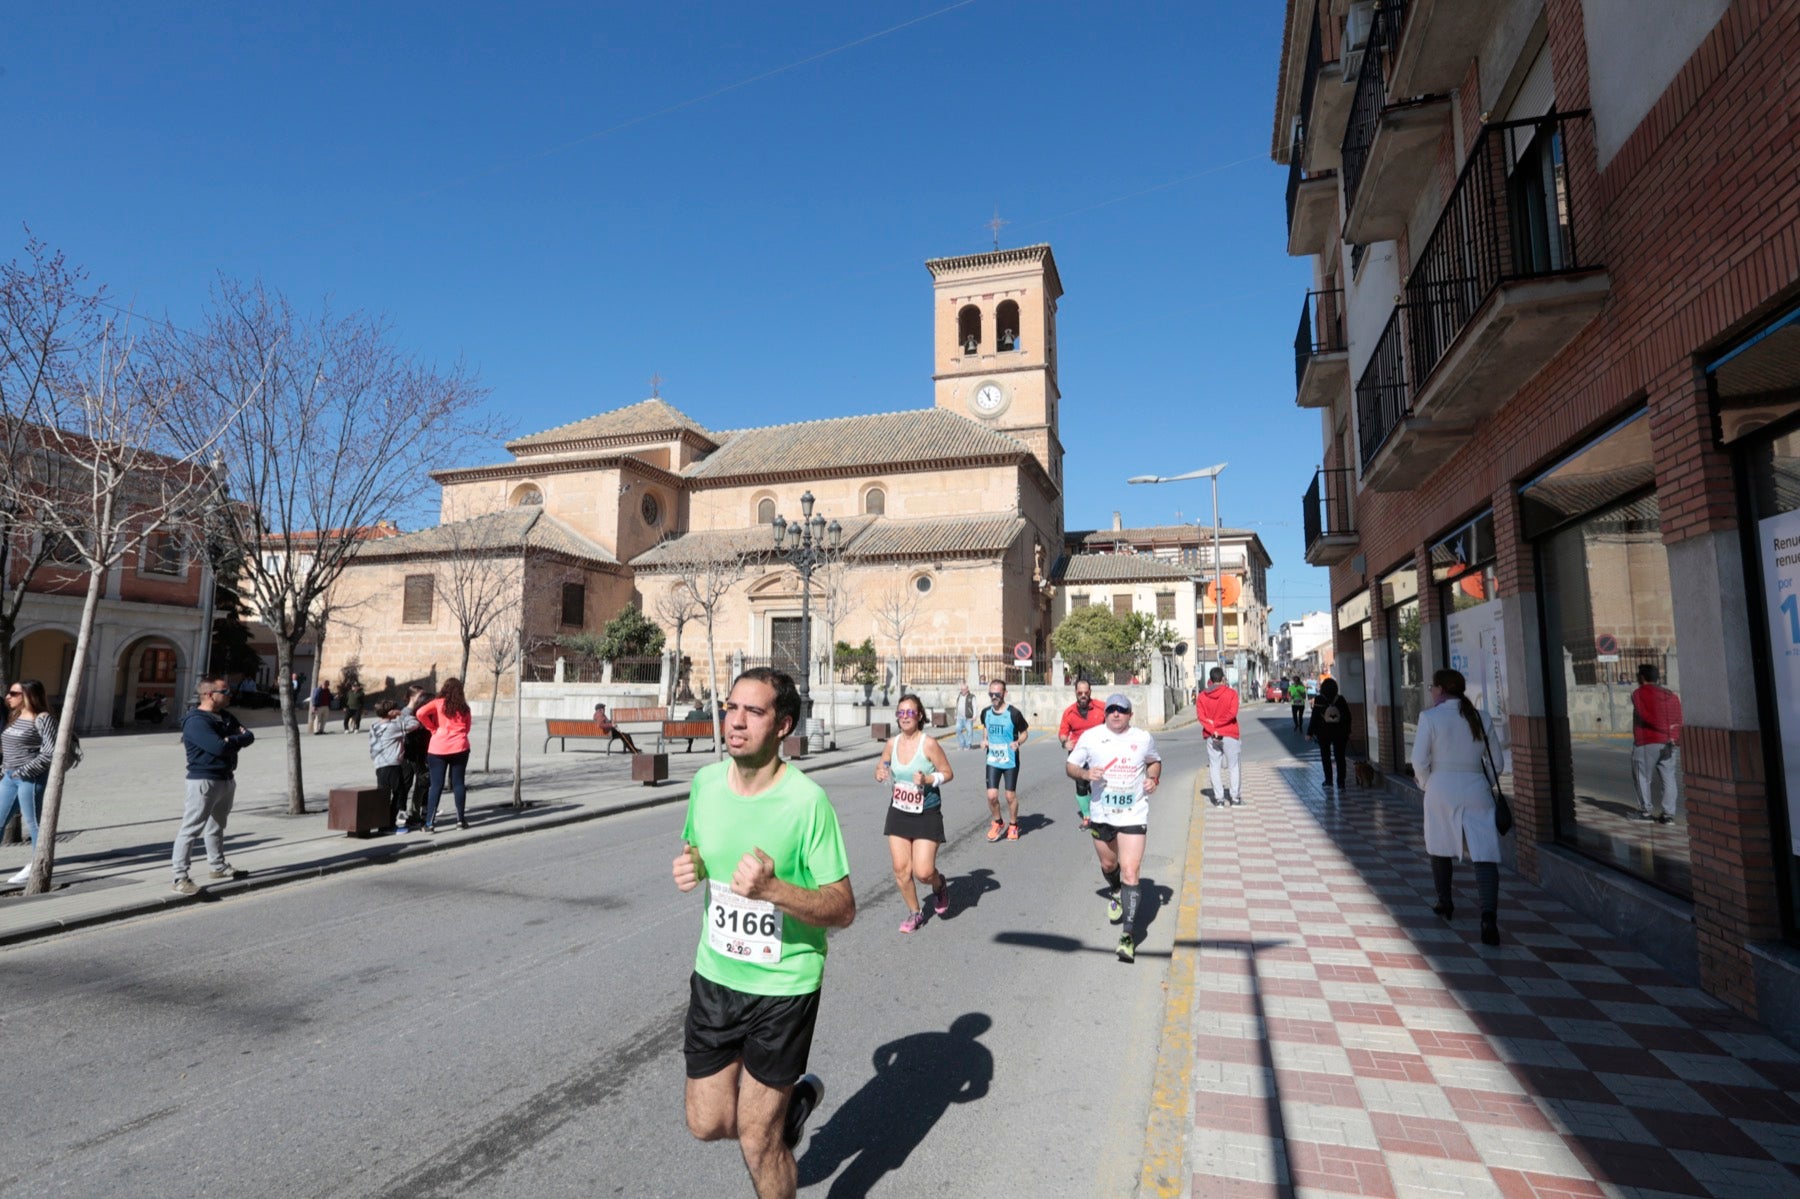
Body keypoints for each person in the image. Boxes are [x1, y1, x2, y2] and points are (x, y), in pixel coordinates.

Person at [671, 668, 854, 1199]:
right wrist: (694, 867)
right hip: (716, 977)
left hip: (783, 988)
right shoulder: (705, 784)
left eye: (754, 712)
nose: (736, 721)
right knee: (706, 1124)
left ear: (783, 726)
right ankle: (792, 1109)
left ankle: (774, 1128)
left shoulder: (807, 802)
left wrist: (775, 889)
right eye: (731, 707)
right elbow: (701, 851)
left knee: (757, 1141)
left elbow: (842, 907)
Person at [1065, 693, 1162, 963]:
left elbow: (1154, 761)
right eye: (1111, 710)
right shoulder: (1092, 737)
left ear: (1131, 714)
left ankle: (1127, 936)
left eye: (1122, 710)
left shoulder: (1142, 738)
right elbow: (1070, 766)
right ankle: (1116, 890)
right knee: (1109, 865)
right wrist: (1085, 774)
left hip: (1133, 812)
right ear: (1105, 713)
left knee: (1132, 872)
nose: (1116, 714)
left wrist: (1153, 778)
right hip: (1102, 813)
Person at [1413, 669, 1504, 946]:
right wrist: (1481, 781)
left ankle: (1445, 901)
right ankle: (1488, 915)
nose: (1431, 691)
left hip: (1441, 787)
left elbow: (1418, 761)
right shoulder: (1481, 717)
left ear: (1440, 689)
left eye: (1432, 686)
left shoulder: (1429, 717)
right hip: (1476, 786)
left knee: (1439, 845)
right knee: (1484, 852)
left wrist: (1429, 784)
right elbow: (1497, 763)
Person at [873, 694, 954, 933]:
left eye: (910, 712)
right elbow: (883, 765)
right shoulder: (892, 743)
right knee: (900, 869)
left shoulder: (928, 743)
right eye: (901, 713)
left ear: (919, 716)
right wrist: (879, 772)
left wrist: (929, 779)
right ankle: (915, 912)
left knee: (924, 871)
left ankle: (939, 886)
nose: (905, 717)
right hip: (899, 810)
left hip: (926, 810)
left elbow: (948, 773)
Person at [172, 675, 254, 895]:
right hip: (203, 781)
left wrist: (231, 741)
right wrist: (233, 740)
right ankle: (180, 876)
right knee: (191, 829)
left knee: (217, 826)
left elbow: (250, 736)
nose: (229, 696)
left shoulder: (225, 717)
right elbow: (217, 748)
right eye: (225, 692)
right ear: (209, 694)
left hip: (226, 778)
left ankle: (217, 867)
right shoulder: (196, 721)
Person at [2, 679, 56, 886]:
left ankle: (37, 865)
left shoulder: (43, 719)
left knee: (35, 824)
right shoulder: (15, 716)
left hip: (30, 779)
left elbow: (49, 752)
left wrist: (24, 771)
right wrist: (5, 771)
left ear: (29, 696)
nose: (8, 696)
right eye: (10, 693)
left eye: (14, 693)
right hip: (9, 778)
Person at [417, 678, 473, 832]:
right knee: (458, 784)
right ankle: (460, 821)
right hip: (460, 747)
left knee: (436, 785)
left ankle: (429, 823)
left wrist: (432, 728)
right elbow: (467, 728)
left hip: (438, 748)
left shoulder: (438, 703)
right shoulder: (464, 708)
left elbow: (420, 712)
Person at [1630, 664, 1682, 824]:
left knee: (1642, 777)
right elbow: (1678, 717)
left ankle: (1645, 812)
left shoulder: (1639, 693)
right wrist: (1672, 734)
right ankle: (1668, 815)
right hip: (1668, 742)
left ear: (1641, 677)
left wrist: (1662, 727)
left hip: (1647, 741)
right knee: (1669, 778)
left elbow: (1646, 715)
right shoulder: (1671, 695)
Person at [979, 679, 1029, 841]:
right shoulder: (986, 712)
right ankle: (998, 822)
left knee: (1009, 796)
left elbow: (1024, 732)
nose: (994, 697)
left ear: (1004, 694)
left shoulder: (1014, 713)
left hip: (1010, 761)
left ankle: (1013, 825)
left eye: (997, 694)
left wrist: (1018, 742)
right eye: (991, 694)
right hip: (993, 759)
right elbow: (985, 726)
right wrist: (985, 739)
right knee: (992, 795)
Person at [1056, 678, 1106, 829]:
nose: (1083, 695)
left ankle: (1103, 813)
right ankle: (1087, 816)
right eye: (1080, 693)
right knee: (1081, 785)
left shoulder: (1101, 707)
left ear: (1090, 692)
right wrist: (1065, 743)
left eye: (1086, 692)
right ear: (1075, 693)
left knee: (1101, 782)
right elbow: (1063, 733)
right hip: (1078, 752)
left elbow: (1114, 720)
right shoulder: (1069, 712)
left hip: (1099, 751)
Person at [368, 698, 422, 829]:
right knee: (399, 794)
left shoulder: (374, 726)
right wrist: (402, 714)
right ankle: (388, 825)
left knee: (384, 795)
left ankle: (383, 823)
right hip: (392, 764)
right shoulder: (393, 726)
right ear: (391, 712)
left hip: (380, 764)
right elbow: (415, 724)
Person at [1197, 667, 1242, 806]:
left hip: (1212, 736)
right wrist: (1218, 724)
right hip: (1230, 734)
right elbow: (1232, 713)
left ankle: (1219, 800)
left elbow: (1201, 717)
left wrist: (1213, 728)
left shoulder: (1202, 696)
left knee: (1214, 767)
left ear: (1210, 680)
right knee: (1234, 767)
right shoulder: (1231, 693)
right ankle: (1234, 798)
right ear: (1223, 678)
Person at [396, 683, 432, 829]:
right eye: (420, 696)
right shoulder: (406, 712)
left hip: (421, 751)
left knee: (423, 781)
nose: (422, 698)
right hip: (409, 752)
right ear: (412, 697)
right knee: (406, 782)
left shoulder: (422, 710)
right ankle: (401, 812)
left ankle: (422, 810)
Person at [1307, 677, 1353, 789]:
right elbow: (1348, 717)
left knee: (1325, 756)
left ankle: (1328, 780)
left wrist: (1309, 733)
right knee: (1340, 757)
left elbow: (1314, 717)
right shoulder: (1341, 699)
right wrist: (1348, 731)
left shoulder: (1319, 700)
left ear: (1322, 689)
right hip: (1340, 732)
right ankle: (1341, 782)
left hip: (1324, 733)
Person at [953, 683, 976, 750]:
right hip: (959, 717)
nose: (962, 691)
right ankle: (962, 744)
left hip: (968, 717)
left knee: (969, 731)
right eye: (961, 689)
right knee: (958, 730)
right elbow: (957, 706)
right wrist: (955, 714)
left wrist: (974, 716)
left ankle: (968, 745)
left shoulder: (971, 697)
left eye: (963, 689)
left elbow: (974, 706)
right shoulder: (959, 696)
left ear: (967, 689)